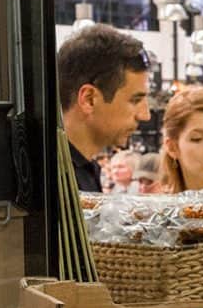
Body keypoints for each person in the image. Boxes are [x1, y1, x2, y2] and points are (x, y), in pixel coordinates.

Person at [57, 25, 152, 192]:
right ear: (89, 100)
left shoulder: (83, 171)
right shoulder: (53, 180)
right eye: (135, 100)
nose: (145, 116)